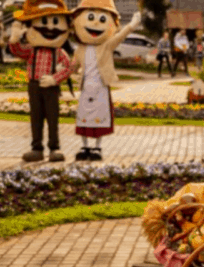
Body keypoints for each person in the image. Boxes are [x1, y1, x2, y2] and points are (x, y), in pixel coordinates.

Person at [70, 0, 141, 161]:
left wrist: (131, 25)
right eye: (90, 17)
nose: (95, 23)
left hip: (101, 87)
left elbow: (120, 36)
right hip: (85, 88)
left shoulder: (106, 45)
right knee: (83, 118)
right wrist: (59, 71)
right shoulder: (80, 49)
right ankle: (85, 146)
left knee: (100, 118)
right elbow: (72, 66)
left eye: (102, 19)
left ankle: (97, 147)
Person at [8, 0, 74, 162]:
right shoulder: (31, 50)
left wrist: (54, 79)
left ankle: (54, 147)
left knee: (53, 118)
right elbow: (16, 50)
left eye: (56, 22)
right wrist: (15, 37)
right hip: (34, 86)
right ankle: (36, 148)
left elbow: (68, 68)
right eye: (44, 22)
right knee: (36, 118)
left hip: (51, 88)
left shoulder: (58, 52)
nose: (50, 28)